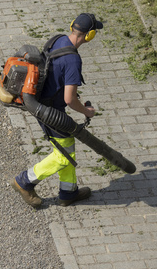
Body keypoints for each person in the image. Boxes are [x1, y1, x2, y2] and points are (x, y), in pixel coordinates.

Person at [11, 13, 103, 208]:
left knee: (66, 147)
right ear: (89, 35)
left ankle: (68, 192)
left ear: (72, 26)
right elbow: (70, 100)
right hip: (50, 111)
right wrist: (86, 112)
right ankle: (24, 181)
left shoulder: (58, 39)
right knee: (62, 156)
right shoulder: (73, 61)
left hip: (41, 102)